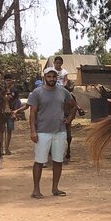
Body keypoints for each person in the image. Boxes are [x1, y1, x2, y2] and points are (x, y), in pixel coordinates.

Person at [27, 68, 76, 199]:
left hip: (60, 131)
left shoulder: (63, 92)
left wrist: (70, 118)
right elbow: (32, 114)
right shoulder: (37, 93)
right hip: (42, 132)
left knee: (58, 161)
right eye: (49, 76)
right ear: (44, 77)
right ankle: (36, 189)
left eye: (54, 76)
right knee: (39, 161)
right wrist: (33, 131)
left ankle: (55, 188)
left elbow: (73, 105)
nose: (52, 79)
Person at [2, 74, 23, 155]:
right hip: (2, 113)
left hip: (11, 112)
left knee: (9, 130)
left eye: (9, 80)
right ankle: (0, 149)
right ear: (4, 81)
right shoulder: (2, 89)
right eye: (7, 80)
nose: (8, 82)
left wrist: (15, 112)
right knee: (1, 131)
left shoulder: (15, 90)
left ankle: (7, 148)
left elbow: (16, 102)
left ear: (12, 81)